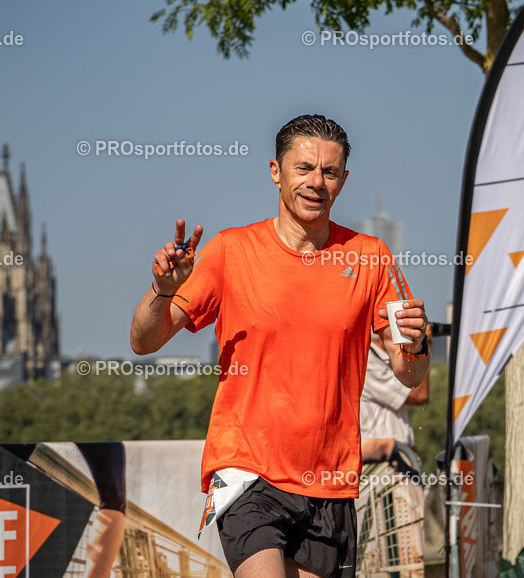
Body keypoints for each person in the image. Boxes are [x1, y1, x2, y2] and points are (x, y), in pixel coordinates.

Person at [130, 114, 430, 578]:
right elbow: (144, 341)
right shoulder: (231, 250)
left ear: (344, 180)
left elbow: (410, 374)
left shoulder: (370, 257)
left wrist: (417, 343)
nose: (316, 182)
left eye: (329, 172)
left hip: (330, 480)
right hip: (249, 470)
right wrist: (162, 290)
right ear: (276, 172)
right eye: (303, 168)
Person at [359, 331, 429, 465]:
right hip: (385, 463)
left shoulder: (383, 359)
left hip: (397, 459)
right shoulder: (368, 363)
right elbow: (419, 395)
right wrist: (421, 346)